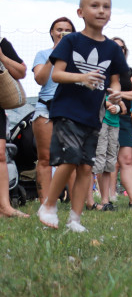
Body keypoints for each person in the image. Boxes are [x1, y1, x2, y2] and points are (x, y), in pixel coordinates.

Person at [37, 0, 130, 232]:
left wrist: (116, 94)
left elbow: (116, 80)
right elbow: (56, 74)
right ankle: (48, 205)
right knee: (70, 158)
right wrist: (82, 77)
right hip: (67, 110)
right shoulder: (71, 41)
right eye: (95, 6)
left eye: (106, 6)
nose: (101, 11)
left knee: (87, 167)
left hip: (93, 115)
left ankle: (75, 219)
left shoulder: (112, 48)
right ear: (80, 12)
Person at [30, 17, 75, 206]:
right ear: (52, 33)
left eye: (67, 30)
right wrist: (55, 54)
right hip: (46, 109)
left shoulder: (79, 55)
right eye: (59, 29)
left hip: (72, 110)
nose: (62, 33)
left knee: (72, 159)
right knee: (45, 158)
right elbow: (40, 79)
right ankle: (45, 204)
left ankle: (76, 203)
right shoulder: (43, 54)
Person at [111, 38, 132, 208]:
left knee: (127, 160)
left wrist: (117, 94)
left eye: (122, 47)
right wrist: (123, 94)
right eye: (115, 47)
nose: (119, 50)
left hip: (125, 118)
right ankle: (105, 198)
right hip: (104, 117)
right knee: (106, 161)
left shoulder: (129, 71)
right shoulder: (102, 70)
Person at [0, 31, 28, 217]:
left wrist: (1, 56)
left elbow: (21, 71)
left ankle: (5, 207)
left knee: (1, 155)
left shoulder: (2, 43)